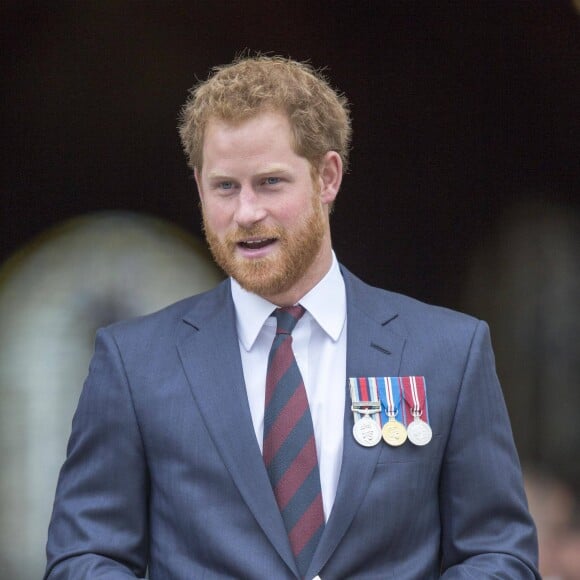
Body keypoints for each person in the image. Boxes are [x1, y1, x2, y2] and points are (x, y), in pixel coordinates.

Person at [44, 56, 539, 579]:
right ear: (197, 185)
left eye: (270, 182)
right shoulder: (135, 363)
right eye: (225, 187)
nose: (246, 213)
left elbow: (499, 554)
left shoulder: (448, 352)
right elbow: (85, 557)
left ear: (327, 177)